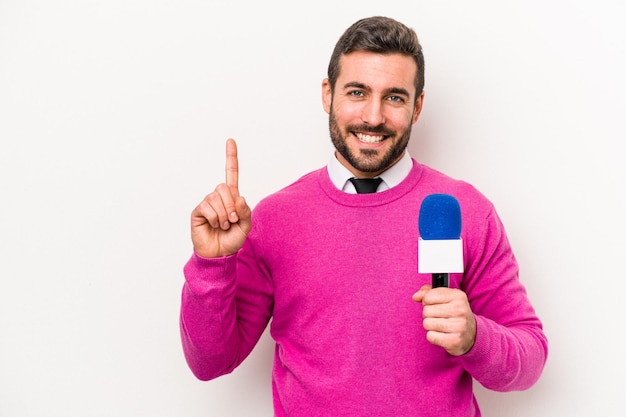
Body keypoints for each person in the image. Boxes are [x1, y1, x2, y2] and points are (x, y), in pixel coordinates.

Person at [180, 16, 548, 417]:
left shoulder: (464, 211)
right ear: (327, 94)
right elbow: (210, 362)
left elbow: (529, 358)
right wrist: (212, 265)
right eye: (357, 92)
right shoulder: (274, 219)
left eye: (394, 97)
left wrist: (475, 336)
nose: (373, 117)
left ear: (417, 105)